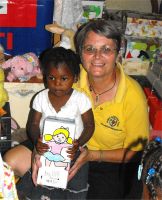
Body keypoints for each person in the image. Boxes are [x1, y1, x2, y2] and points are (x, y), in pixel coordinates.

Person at [4, 19, 149, 199]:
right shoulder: (68, 75)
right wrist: (36, 151)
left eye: (106, 49)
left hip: (105, 160)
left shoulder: (132, 95)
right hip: (57, 144)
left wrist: (92, 155)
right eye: (90, 49)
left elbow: (135, 152)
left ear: (117, 53)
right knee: (11, 160)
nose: (97, 56)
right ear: (80, 52)